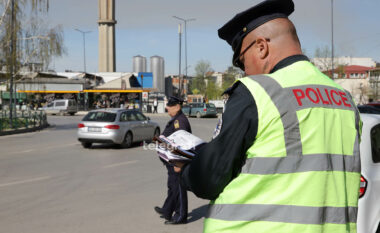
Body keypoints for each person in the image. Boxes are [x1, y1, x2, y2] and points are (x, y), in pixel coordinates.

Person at [176, 0, 362, 232]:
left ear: (261, 47)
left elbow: (208, 179)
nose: (244, 71)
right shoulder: (345, 100)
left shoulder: (258, 91)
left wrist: (184, 170)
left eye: (242, 60)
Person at [154, 96, 191, 225]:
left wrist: (179, 163)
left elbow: (183, 144)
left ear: (177, 106)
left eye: (169, 106)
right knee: (172, 186)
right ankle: (168, 210)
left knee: (179, 188)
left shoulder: (179, 121)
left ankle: (181, 216)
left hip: (177, 162)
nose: (167, 108)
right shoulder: (176, 119)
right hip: (171, 160)